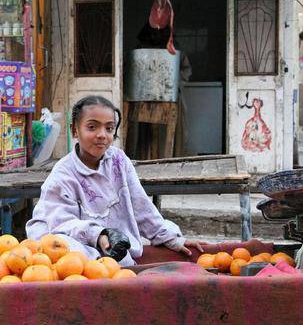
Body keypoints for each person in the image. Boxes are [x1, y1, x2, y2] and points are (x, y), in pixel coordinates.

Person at [26, 95, 204, 266]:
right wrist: (99, 235)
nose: (102, 135)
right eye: (92, 127)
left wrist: (171, 238)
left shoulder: (119, 161)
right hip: (69, 241)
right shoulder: (62, 175)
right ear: (75, 130)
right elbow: (61, 223)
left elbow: (140, 206)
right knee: (67, 249)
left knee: (120, 259)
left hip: (109, 245)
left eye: (109, 128)